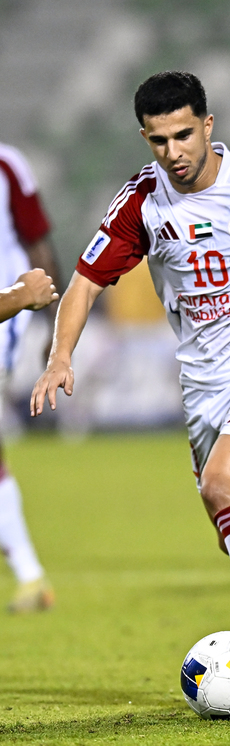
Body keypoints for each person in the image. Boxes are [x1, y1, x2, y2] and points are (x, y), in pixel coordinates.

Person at [30, 71, 230, 690]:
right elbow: (85, 282)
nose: (173, 152)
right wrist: (59, 357)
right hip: (201, 382)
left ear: (208, 127)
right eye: (158, 141)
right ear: (146, 139)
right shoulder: (141, 204)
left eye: (184, 134)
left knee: (221, 485)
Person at [0, 143, 61, 613]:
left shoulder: (8, 163)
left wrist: (55, 328)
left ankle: (28, 571)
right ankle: (29, 571)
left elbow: (38, 242)